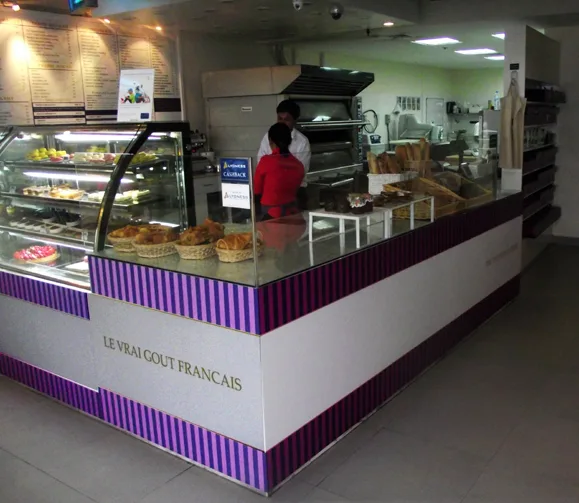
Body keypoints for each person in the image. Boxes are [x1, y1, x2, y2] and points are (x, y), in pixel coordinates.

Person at [257, 100, 311, 208]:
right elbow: (260, 163)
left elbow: (301, 171)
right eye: (279, 119)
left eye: (286, 119)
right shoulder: (268, 137)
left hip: (295, 192)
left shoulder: (302, 142)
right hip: (271, 192)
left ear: (295, 120)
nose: (282, 123)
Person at [254, 122, 304, 221]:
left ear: (270, 141)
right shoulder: (298, 165)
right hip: (292, 213)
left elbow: (256, 190)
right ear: (289, 141)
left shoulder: (266, 162)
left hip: (270, 214)